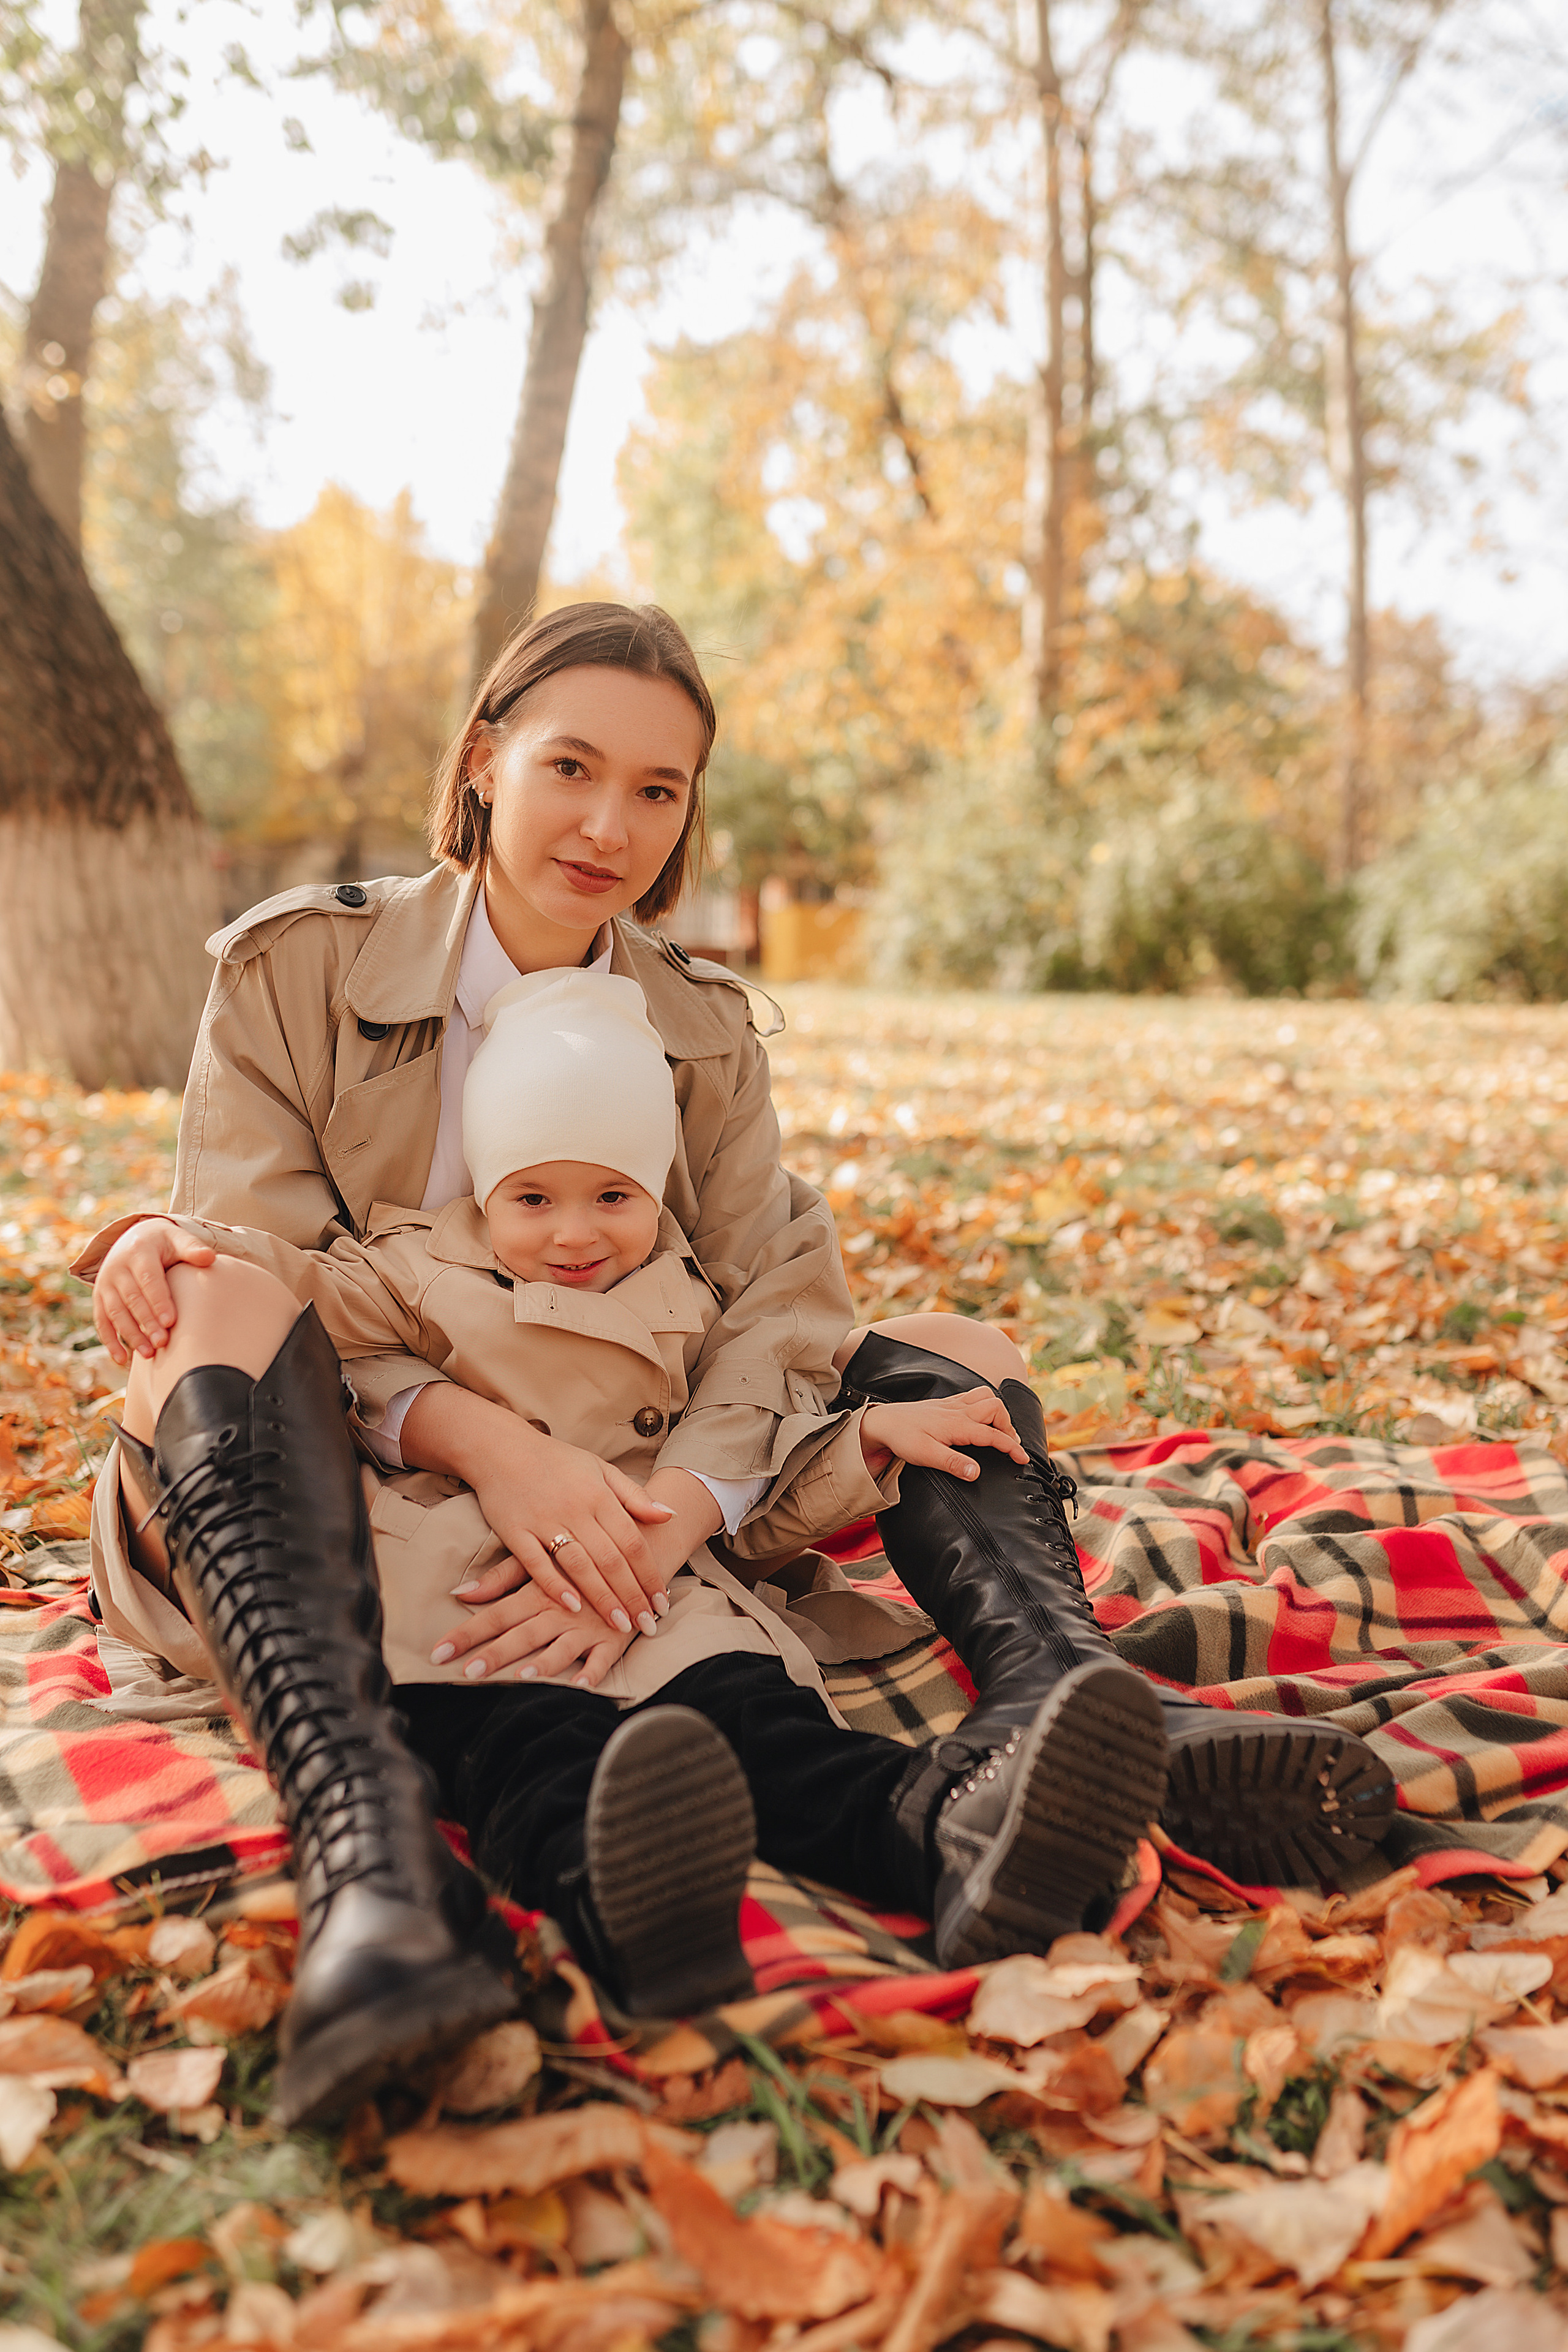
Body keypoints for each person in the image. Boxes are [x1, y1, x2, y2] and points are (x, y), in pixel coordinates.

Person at [77, 600, 1393, 2122]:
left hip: (625, 1464)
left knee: (960, 1356)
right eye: (572, 767)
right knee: (202, 1294)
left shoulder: (695, 1026)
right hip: (342, 1478)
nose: (608, 824)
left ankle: (1059, 1701)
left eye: (659, 789)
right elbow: (262, 1268)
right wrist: (493, 1449)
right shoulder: (300, 970)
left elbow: (777, 1297)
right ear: (483, 759)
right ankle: (364, 1850)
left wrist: (686, 1511)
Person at [89, 966, 1170, 2082]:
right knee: (538, 1765)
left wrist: (868, 1450)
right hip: (470, 1608)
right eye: (533, 1197)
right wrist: (150, 1238)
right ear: (486, 1188)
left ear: (656, 1190)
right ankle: (639, 1919)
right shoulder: (411, 1270)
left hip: (658, 1602)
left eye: (612, 1197)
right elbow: (277, 1288)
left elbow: (750, 1498)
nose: (573, 1234)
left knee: (772, 1734)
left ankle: (955, 1837)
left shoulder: (688, 1305)